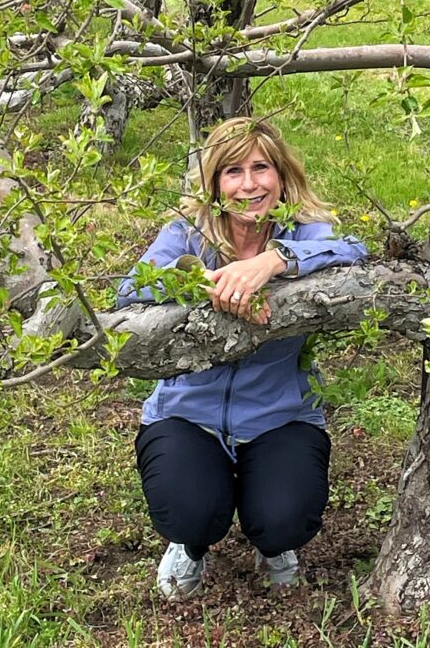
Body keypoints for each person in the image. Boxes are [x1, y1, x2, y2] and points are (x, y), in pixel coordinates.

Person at [117, 117, 368, 598]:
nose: (249, 184)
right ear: (214, 182)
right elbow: (130, 289)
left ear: (281, 175)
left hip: (280, 416)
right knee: (189, 512)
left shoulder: (303, 230)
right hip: (186, 414)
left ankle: (273, 542)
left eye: (261, 168)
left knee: (284, 518)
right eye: (232, 171)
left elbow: (355, 251)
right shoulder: (188, 234)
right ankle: (188, 546)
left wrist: (274, 260)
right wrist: (196, 278)